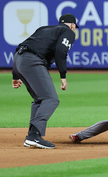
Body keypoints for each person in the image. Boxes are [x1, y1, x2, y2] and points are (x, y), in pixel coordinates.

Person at [12, 13, 78, 149]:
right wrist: (63, 75)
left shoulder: (44, 29)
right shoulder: (68, 32)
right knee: (51, 99)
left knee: (40, 99)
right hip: (32, 61)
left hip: (19, 59)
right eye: (75, 27)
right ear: (72, 25)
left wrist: (15, 75)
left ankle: (32, 136)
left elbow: (21, 47)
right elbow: (61, 51)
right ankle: (34, 136)